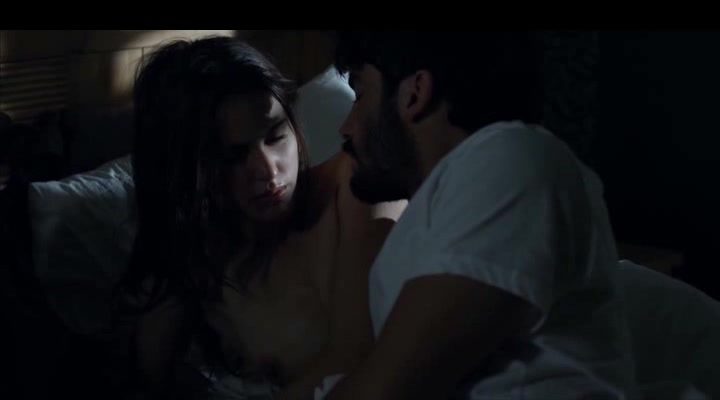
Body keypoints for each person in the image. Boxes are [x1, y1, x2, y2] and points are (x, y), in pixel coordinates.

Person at [319, 31, 638, 399]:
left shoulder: (510, 155)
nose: (346, 126)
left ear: (415, 93)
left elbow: (387, 390)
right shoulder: (434, 210)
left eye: (360, 94)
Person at [116, 36, 405, 399]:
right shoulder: (202, 254)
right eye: (233, 157)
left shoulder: (356, 184)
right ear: (190, 168)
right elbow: (148, 378)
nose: (268, 171)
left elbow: (353, 359)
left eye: (275, 135)